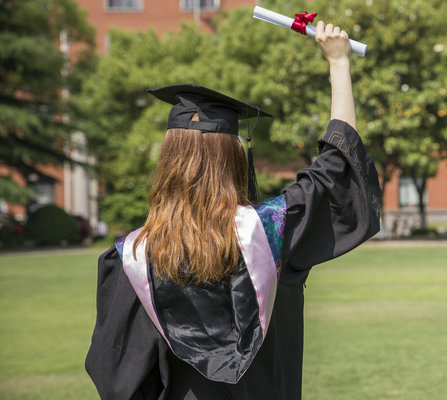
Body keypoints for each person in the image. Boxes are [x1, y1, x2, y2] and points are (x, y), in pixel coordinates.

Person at [86, 21, 381, 400]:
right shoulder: (271, 231)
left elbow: (119, 375)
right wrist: (338, 64)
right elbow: (334, 171)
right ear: (235, 160)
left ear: (168, 162)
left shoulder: (132, 257)